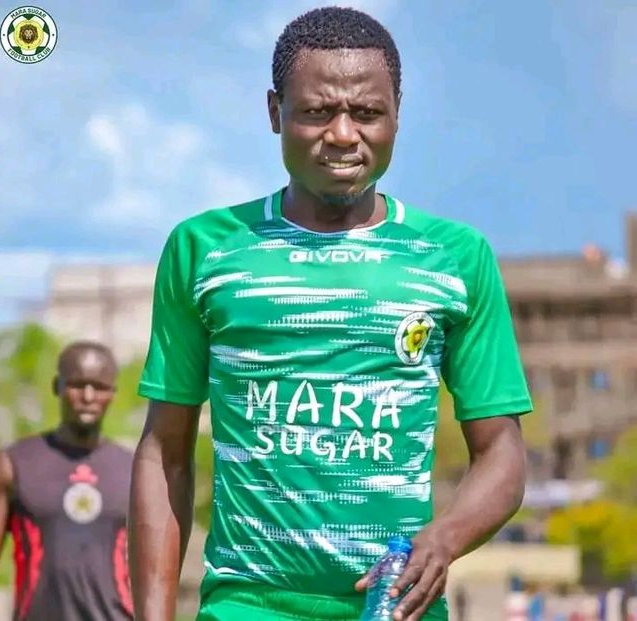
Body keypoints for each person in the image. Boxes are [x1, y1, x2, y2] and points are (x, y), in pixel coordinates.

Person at [129, 6, 532, 621]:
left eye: (367, 113)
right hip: (248, 605)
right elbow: (165, 453)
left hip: (395, 606)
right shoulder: (204, 248)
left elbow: (502, 450)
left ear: (397, 114)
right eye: (318, 112)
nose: (343, 134)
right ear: (275, 112)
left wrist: (444, 540)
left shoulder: (455, 257)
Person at [0, 341, 134, 621]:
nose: (88, 396)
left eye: (100, 387)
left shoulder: (133, 470)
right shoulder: (15, 463)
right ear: (57, 386)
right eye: (77, 384)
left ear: (113, 393)